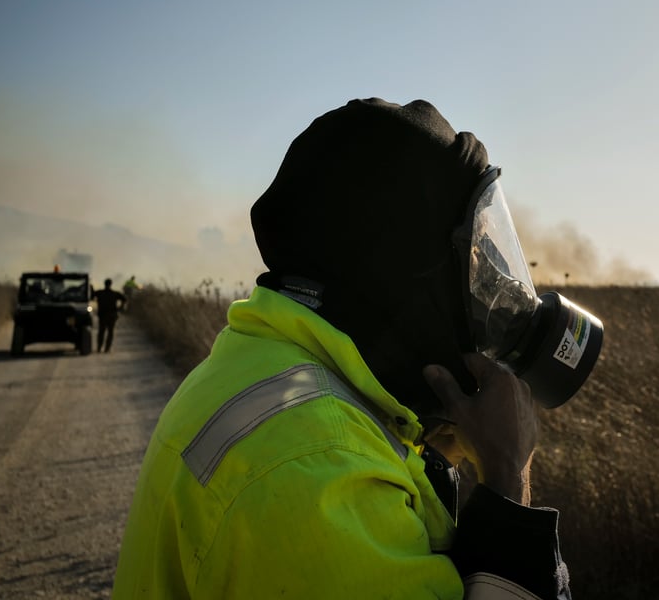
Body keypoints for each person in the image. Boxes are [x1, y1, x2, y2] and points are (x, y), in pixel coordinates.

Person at [113, 98, 600, 599]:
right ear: (401, 272)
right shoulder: (320, 473)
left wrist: (419, 444)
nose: (491, 283)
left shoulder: (261, 362)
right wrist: (506, 477)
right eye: (472, 258)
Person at [92, 278, 127, 353]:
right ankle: (107, 349)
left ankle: (99, 347)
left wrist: (91, 287)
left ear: (105, 284)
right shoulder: (114, 293)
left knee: (102, 332)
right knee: (110, 332)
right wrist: (120, 308)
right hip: (112, 315)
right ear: (111, 284)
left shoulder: (100, 293)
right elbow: (124, 299)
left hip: (103, 315)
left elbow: (91, 295)